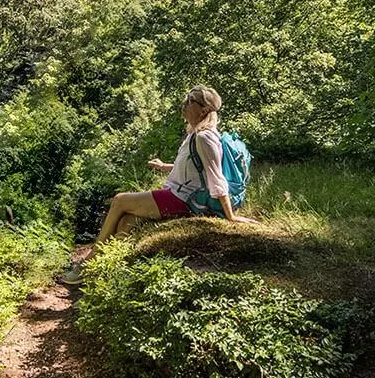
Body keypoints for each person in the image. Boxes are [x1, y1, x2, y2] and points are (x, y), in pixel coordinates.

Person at [58, 85, 256, 286]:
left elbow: (216, 178)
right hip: (178, 194)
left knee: (119, 201)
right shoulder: (196, 134)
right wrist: (164, 167)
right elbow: (193, 168)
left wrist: (231, 216)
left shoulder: (205, 137)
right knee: (127, 221)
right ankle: (104, 270)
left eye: (190, 101)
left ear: (203, 110)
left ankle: (88, 261)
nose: (184, 105)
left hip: (184, 200)